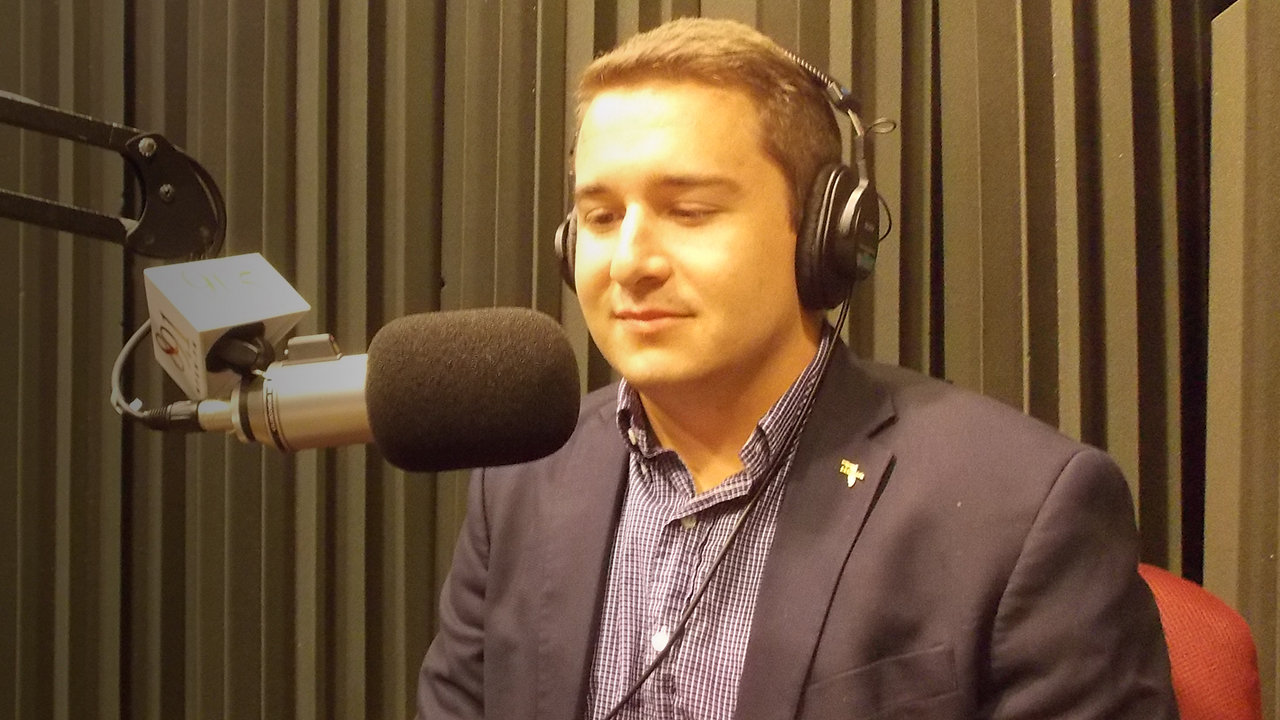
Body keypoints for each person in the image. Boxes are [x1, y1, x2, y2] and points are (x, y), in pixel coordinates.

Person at [416, 17, 1177, 720]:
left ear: (824, 235)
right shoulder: (521, 476)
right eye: (602, 217)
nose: (629, 263)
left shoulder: (1021, 512)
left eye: (690, 210)